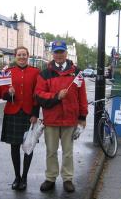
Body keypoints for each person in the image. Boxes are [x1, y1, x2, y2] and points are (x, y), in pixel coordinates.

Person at [35, 40, 88, 193]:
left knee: (68, 152)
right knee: (51, 151)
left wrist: (82, 117)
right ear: (53, 54)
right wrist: (57, 96)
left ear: (66, 53)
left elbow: (82, 96)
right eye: (56, 52)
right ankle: (50, 177)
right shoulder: (45, 73)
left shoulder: (76, 72)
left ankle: (67, 178)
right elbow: (39, 94)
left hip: (70, 118)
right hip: (51, 119)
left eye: (61, 52)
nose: (59, 55)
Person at [0, 46, 40, 191]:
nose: (22, 57)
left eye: (24, 54)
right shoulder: (8, 72)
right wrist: (8, 93)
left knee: (28, 147)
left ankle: (24, 177)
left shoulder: (36, 72)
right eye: (19, 55)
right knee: (14, 146)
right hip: (13, 112)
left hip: (29, 114)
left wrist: (35, 113)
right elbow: (2, 93)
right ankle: (17, 176)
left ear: (28, 56)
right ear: (15, 56)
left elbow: (38, 94)